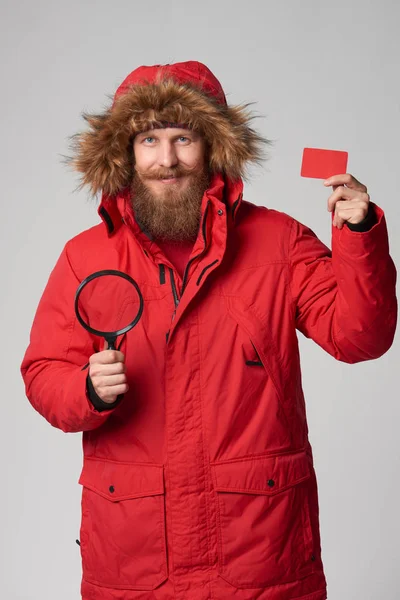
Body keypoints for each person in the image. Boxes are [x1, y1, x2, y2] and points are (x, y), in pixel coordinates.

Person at [20, 61, 397, 600]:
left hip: (261, 556)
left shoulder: (278, 241)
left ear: (213, 147)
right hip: (136, 561)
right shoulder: (86, 257)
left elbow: (361, 337)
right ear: (126, 153)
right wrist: (84, 390)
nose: (166, 159)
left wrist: (359, 235)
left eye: (184, 137)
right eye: (149, 138)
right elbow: (42, 373)